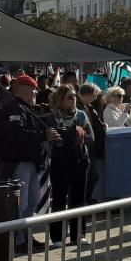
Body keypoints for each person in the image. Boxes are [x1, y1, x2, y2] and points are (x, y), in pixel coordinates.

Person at [0, 74, 57, 252]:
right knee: (20, 203)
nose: (36, 92)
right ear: (24, 90)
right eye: (33, 89)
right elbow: (17, 134)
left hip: (31, 161)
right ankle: (16, 240)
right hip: (18, 162)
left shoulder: (25, 108)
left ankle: (24, 235)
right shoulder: (14, 109)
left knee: (32, 201)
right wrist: (42, 135)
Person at [47, 86, 92, 246]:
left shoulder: (81, 115)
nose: (73, 99)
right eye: (69, 97)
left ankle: (78, 235)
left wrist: (79, 135)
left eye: (74, 96)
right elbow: (50, 138)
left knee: (78, 198)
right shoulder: (52, 117)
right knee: (59, 198)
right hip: (60, 160)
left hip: (80, 159)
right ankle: (58, 237)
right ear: (60, 100)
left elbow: (91, 137)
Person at [78, 83, 106, 204]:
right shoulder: (79, 109)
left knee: (93, 175)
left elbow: (96, 124)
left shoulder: (89, 108)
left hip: (92, 145)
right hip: (84, 146)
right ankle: (84, 200)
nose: (95, 98)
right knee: (88, 175)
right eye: (94, 95)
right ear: (86, 94)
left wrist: (102, 126)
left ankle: (87, 198)